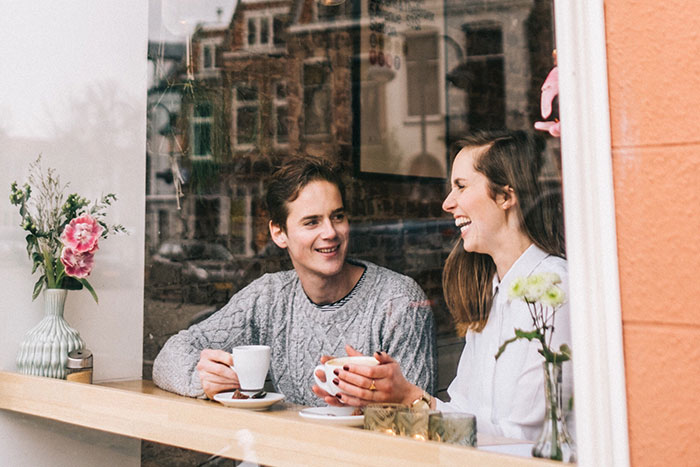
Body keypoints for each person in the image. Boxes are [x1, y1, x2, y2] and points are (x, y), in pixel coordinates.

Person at [316, 131, 572, 441]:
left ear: (505, 196)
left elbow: (520, 440)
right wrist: (382, 397)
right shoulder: (492, 292)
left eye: (461, 187)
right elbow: (463, 415)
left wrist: (408, 396)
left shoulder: (553, 291)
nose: (448, 203)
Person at [152, 155, 436, 406]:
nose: (330, 232)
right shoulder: (268, 297)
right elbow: (170, 355)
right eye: (311, 222)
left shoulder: (397, 301)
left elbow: (419, 415)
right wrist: (200, 378)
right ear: (278, 233)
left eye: (337, 216)